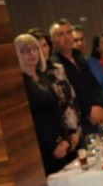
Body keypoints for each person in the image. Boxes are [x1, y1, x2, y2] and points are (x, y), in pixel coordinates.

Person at [17, 34, 79, 175]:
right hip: (43, 149)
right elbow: (30, 121)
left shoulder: (42, 77)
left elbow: (57, 111)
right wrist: (52, 145)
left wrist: (65, 139)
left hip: (60, 144)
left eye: (34, 49)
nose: (31, 53)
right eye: (25, 50)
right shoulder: (21, 83)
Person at [50, 19, 103, 133]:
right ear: (53, 40)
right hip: (78, 121)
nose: (66, 37)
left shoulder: (80, 58)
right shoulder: (54, 65)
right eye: (60, 34)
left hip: (97, 115)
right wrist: (88, 111)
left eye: (68, 32)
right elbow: (67, 95)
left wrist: (99, 106)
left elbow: (94, 85)